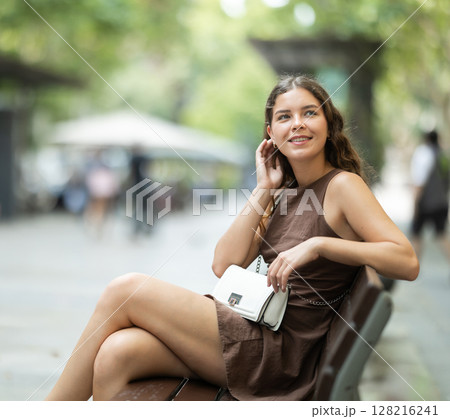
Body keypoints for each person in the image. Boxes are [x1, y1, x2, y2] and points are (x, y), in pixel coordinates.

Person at [45, 75, 419, 401]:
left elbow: (406, 260)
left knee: (126, 289)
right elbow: (224, 264)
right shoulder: (285, 192)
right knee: (117, 353)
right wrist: (263, 189)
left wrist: (320, 244)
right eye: (284, 117)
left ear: (328, 122)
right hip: (252, 330)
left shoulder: (342, 186)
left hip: (280, 353)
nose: (298, 124)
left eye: (309, 112)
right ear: (270, 134)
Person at [410, 129, 450, 263]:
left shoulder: (423, 154)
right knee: (442, 235)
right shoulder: (443, 156)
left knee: (416, 234)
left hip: (425, 203)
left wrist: (415, 204)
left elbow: (419, 183)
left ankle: (413, 266)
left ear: (426, 139)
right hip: (441, 202)